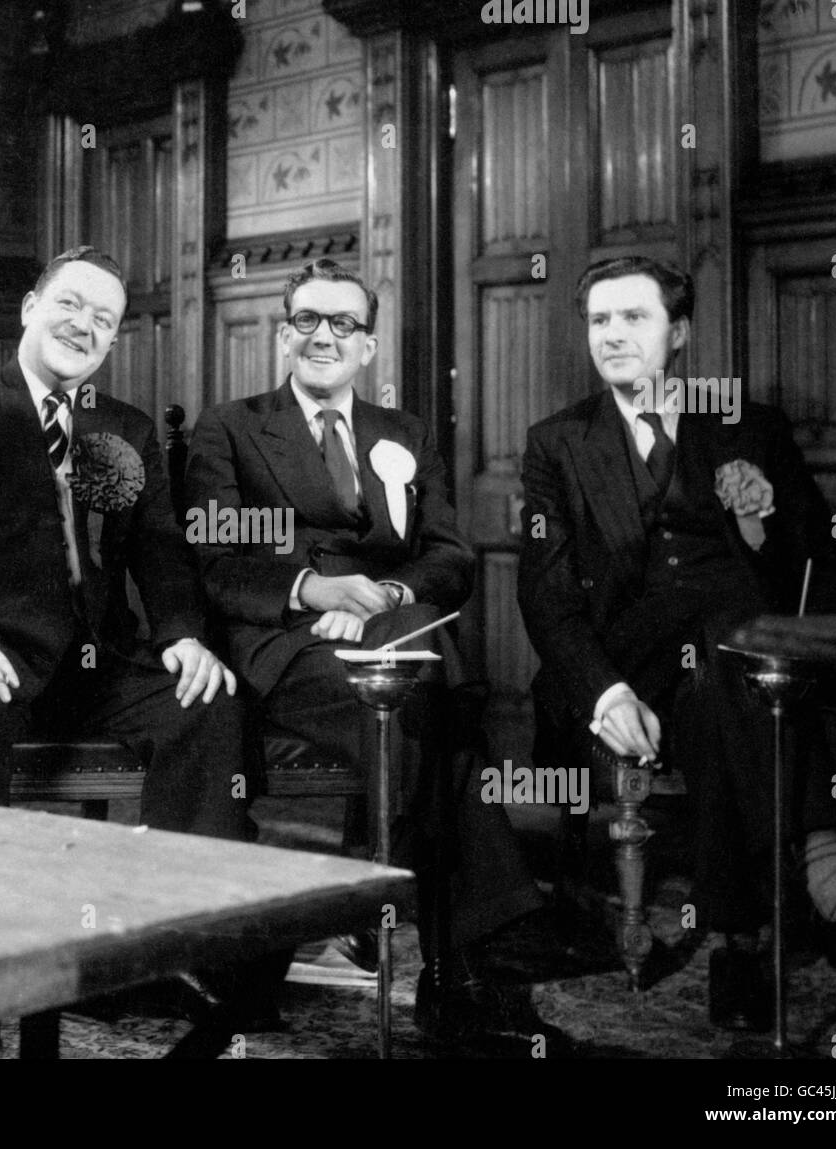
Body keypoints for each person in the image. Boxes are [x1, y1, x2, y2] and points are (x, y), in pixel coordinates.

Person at [0, 247, 256, 1050]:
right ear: (28, 307)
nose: (83, 326)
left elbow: (160, 548)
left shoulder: (122, 429)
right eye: (70, 304)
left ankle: (168, 944)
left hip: (95, 663)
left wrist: (185, 636)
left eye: (104, 319)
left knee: (208, 701)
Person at [185, 258, 547, 1051]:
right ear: (283, 334)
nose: (324, 335)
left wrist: (379, 600)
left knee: (414, 694)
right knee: (443, 722)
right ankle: (476, 965)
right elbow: (216, 557)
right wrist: (319, 591)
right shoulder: (231, 427)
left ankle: (430, 952)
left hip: (390, 634)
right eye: (307, 320)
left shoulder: (405, 433)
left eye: (342, 323)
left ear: (369, 347)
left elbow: (449, 555)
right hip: (287, 647)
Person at [518, 254, 836, 1029]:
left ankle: (738, 941)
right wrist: (604, 692)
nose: (612, 336)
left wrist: (759, 523)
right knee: (729, 648)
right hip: (628, 658)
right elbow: (547, 597)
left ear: (678, 331)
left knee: (719, 677)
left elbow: (821, 560)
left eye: (634, 317)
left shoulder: (746, 426)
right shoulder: (558, 443)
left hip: (728, 661)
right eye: (598, 320)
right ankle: (832, 889)